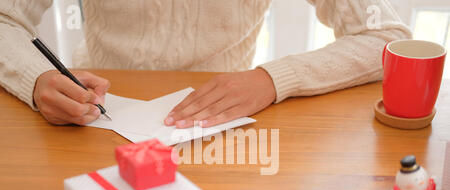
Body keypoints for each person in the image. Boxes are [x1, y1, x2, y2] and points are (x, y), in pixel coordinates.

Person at [0, 0, 410, 127]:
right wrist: (35, 78)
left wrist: (273, 78)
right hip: (93, 118)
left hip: (218, 124)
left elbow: (388, 37)